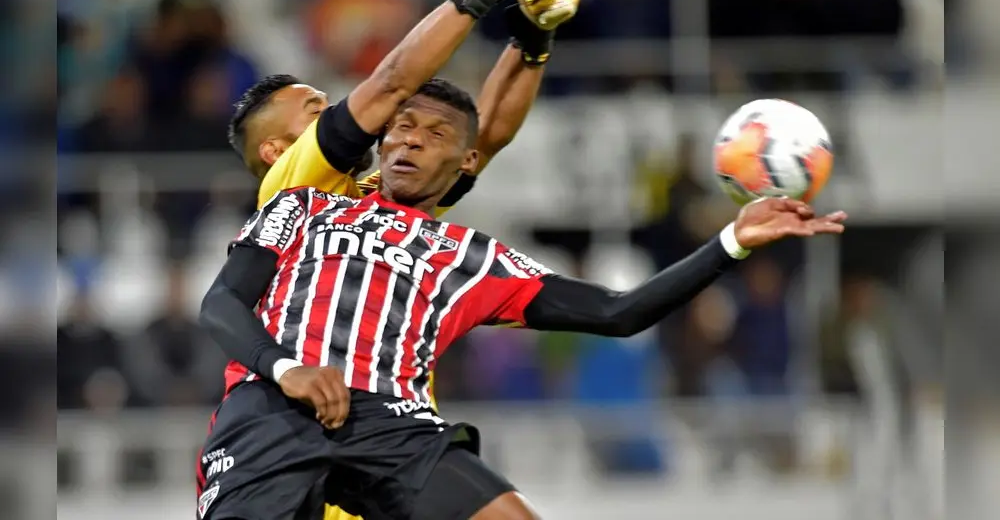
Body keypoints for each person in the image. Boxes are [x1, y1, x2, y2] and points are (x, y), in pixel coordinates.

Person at [197, 29, 847, 520]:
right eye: (398, 128)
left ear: (464, 160)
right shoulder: (303, 198)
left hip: (387, 425)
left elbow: (617, 311)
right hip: (273, 416)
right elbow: (222, 301)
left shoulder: (470, 255)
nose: (405, 138)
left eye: (431, 133)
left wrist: (732, 240)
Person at [211, 0, 580, 518]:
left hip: (392, 459)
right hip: (316, 462)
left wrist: (535, 33)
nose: (343, 110)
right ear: (280, 148)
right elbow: (394, 80)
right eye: (317, 109)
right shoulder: (292, 188)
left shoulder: (374, 203)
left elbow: (480, 141)